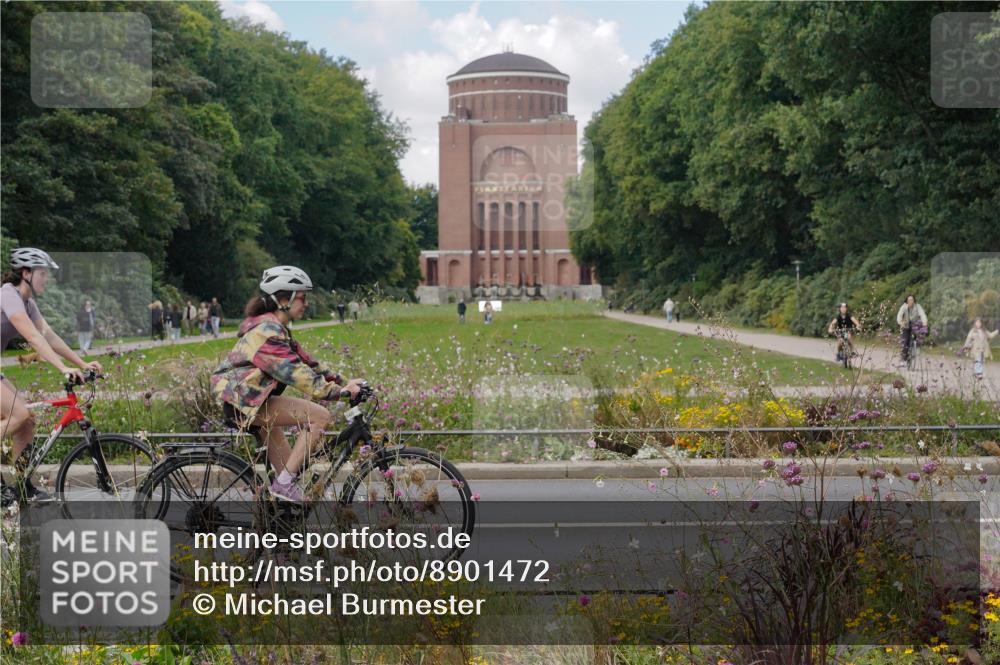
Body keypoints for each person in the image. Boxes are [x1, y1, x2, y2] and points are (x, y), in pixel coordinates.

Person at [211, 265, 363, 503]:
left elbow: (308, 363)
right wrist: (334, 392)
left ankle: (278, 521)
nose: (306, 303)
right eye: (302, 297)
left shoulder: (276, 329)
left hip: (253, 401)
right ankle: (282, 487)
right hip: (246, 403)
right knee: (320, 417)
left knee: (287, 478)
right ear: (284, 299)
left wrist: (345, 382)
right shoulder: (267, 333)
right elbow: (295, 372)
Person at [1, 248, 102, 506]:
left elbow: (48, 336)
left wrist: (81, 363)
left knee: (26, 421)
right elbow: (33, 338)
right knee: (19, 414)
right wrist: (62, 369)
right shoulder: (8, 296)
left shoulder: (28, 303)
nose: (47, 279)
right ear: (25, 273)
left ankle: (21, 488)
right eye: (42, 273)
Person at [896, 295, 928, 363]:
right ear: (907, 301)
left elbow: (922, 314)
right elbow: (899, 316)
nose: (911, 301)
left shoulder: (917, 306)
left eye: (912, 300)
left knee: (915, 339)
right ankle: (903, 359)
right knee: (905, 343)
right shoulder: (904, 307)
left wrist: (924, 322)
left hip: (914, 326)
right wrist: (900, 322)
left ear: (914, 301)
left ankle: (914, 349)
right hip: (905, 326)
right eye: (909, 300)